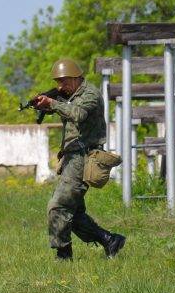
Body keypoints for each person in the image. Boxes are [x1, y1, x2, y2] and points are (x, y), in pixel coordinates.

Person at [33, 59, 126, 261]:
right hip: (71, 158)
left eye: (64, 81)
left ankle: (63, 255)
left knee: (58, 206)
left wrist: (53, 103)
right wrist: (44, 105)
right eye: (58, 82)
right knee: (73, 213)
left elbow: (78, 113)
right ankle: (110, 240)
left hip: (84, 158)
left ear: (76, 78)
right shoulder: (71, 96)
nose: (60, 87)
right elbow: (65, 107)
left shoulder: (90, 94)